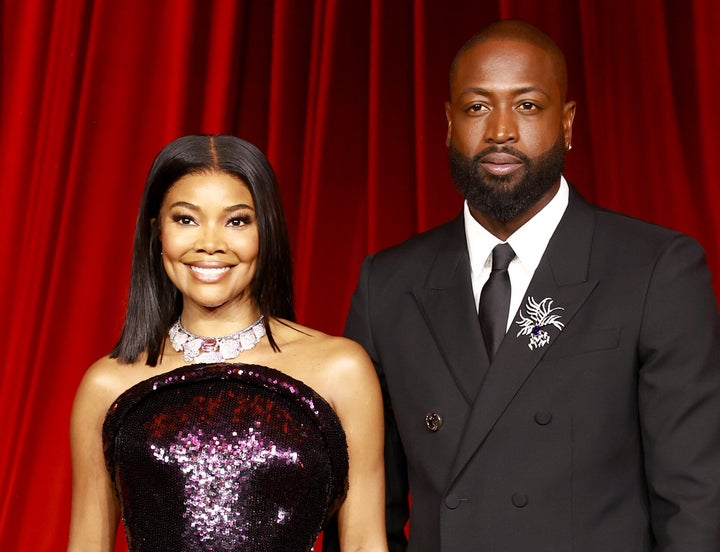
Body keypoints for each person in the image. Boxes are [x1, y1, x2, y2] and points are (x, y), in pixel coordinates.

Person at [329, 19, 720, 551]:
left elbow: (695, 501)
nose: (501, 131)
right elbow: (368, 512)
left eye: (528, 105)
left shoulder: (655, 269)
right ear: (448, 124)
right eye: (477, 107)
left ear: (568, 122)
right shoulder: (388, 283)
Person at [67, 135, 388, 552]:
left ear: (265, 231)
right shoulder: (107, 386)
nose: (210, 244)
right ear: (156, 232)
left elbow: (365, 543)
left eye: (236, 221)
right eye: (185, 219)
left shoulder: (341, 369)